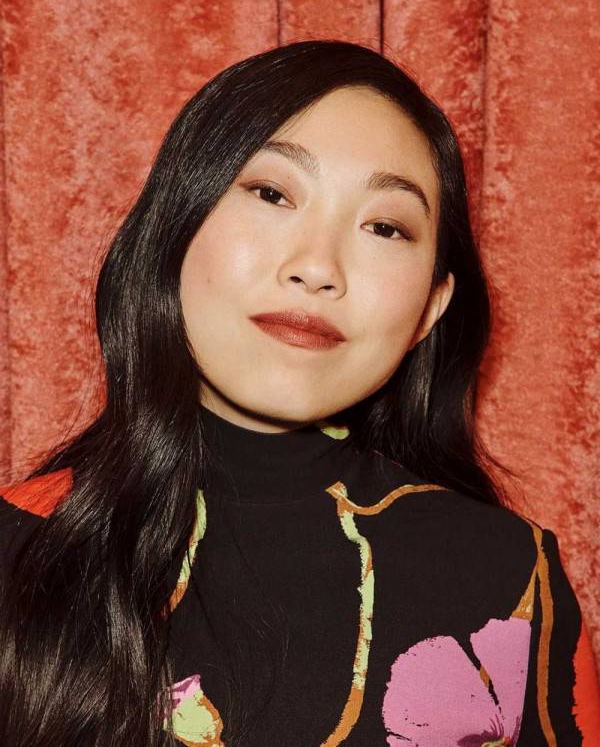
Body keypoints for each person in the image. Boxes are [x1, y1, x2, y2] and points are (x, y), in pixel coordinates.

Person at [0, 39, 598, 747]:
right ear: (173, 228)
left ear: (430, 309)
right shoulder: (19, 547)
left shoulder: (513, 583)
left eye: (384, 227)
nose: (318, 267)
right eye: (272, 194)